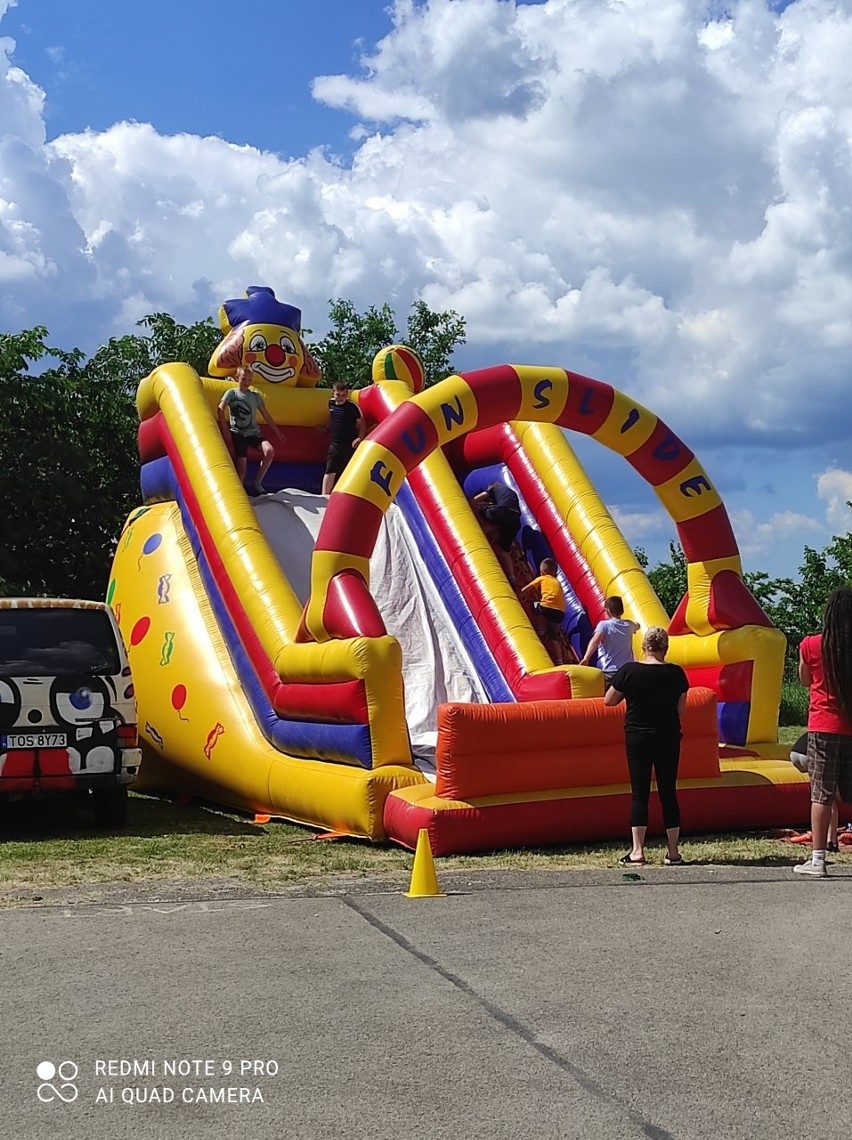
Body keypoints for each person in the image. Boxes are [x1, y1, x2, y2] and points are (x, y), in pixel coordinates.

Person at [604, 626, 689, 866]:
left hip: (638, 736)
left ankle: (637, 851)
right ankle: (673, 852)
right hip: (668, 736)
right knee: (668, 793)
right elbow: (680, 710)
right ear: (666, 648)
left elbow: (609, 701)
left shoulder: (629, 671)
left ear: (644, 647)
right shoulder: (677, 673)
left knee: (639, 794)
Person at [793, 587, 852, 878]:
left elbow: (805, 679)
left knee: (822, 794)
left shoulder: (811, 645)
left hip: (823, 726)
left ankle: (818, 859)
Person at [217, 366, 284, 495]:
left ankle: (257, 482)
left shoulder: (255, 396)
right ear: (237, 378)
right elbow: (220, 409)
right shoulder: (232, 393)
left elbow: (266, 415)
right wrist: (225, 430)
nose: (247, 382)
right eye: (243, 379)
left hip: (254, 433)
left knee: (269, 451)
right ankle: (239, 493)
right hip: (238, 433)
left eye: (249, 380)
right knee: (242, 468)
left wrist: (277, 432)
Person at [789, 731, 840, 853]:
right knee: (828, 797)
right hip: (810, 752)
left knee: (821, 792)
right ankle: (831, 840)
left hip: (797, 752)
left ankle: (824, 836)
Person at [579, 596, 640, 686]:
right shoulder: (629, 625)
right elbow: (638, 625)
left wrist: (586, 658)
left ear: (608, 611)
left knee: (609, 698)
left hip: (612, 671)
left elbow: (595, 640)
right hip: (628, 671)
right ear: (622, 611)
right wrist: (636, 625)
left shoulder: (604, 625)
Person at [472, 482, 522, 584]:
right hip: (515, 520)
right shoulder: (510, 493)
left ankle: (484, 533)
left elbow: (474, 500)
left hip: (502, 512)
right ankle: (512, 576)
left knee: (481, 511)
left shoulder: (493, 489)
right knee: (505, 550)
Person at [322, 382, 366, 495]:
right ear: (333, 393)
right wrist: (326, 428)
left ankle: (347, 494)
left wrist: (359, 438)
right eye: (338, 394)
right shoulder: (331, 403)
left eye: (343, 395)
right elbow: (331, 417)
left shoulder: (352, 407)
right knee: (330, 469)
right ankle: (324, 495)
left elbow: (362, 424)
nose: (341, 398)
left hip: (350, 443)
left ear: (347, 394)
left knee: (347, 469)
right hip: (335, 443)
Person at [522, 558, 566, 665]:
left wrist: (521, 595)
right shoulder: (558, 582)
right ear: (555, 573)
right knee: (554, 636)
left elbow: (526, 589)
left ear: (542, 572)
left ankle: (541, 630)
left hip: (546, 607)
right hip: (560, 612)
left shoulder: (542, 578)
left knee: (535, 607)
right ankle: (560, 660)